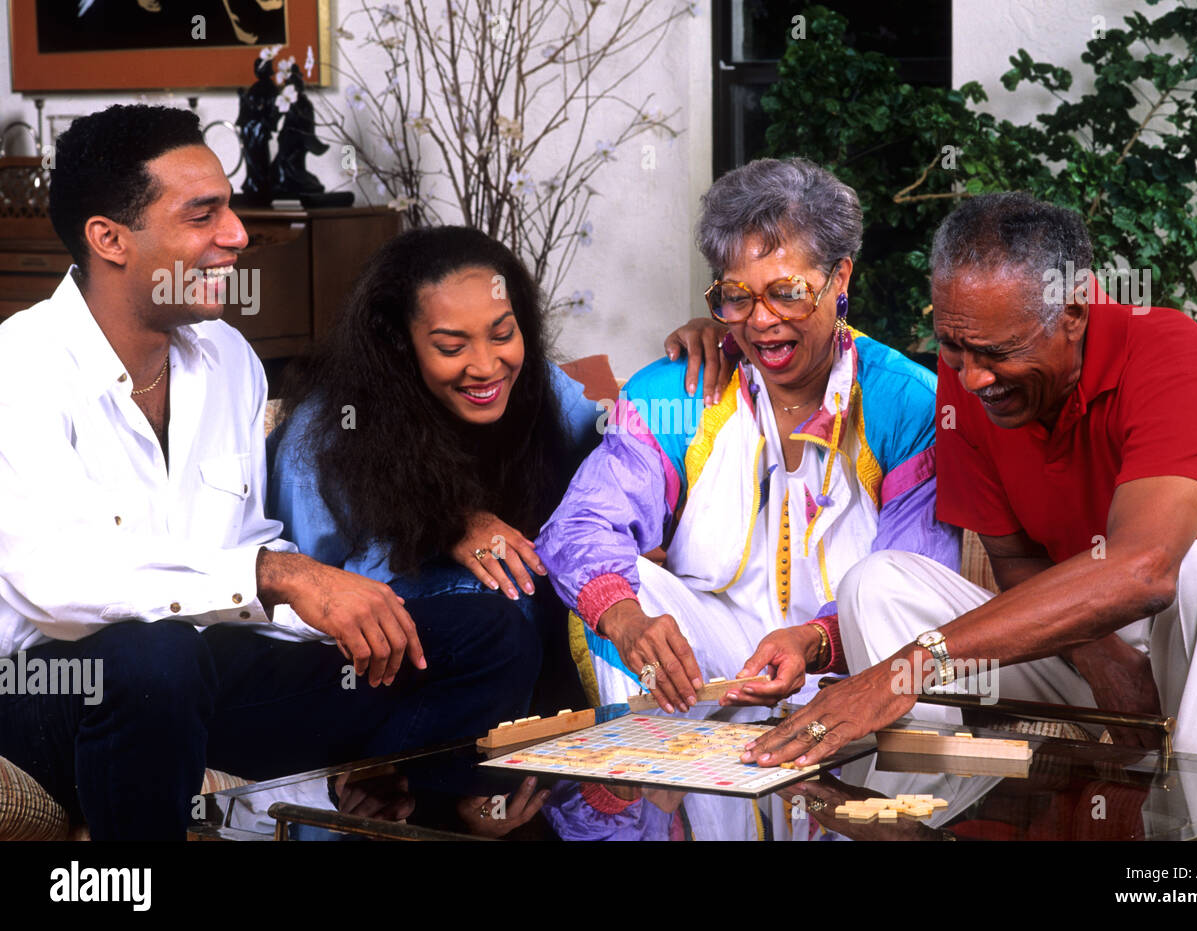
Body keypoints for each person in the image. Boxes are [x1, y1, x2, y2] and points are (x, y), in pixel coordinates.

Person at [0, 105, 535, 840]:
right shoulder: (20, 367)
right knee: (155, 657)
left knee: (483, 631)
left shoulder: (228, 360)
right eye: (203, 215)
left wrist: (347, 614)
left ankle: (384, 787)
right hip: (51, 686)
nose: (237, 235)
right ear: (109, 239)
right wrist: (281, 575)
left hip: (207, 674)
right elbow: (56, 588)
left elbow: (241, 552)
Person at [747, 191, 1197, 767]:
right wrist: (1104, 660)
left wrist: (904, 670)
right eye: (953, 346)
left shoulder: (1169, 351)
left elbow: (1147, 569)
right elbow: (1015, 563)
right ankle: (919, 811)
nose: (975, 377)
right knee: (876, 582)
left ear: (1073, 314)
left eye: (997, 352)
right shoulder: (968, 380)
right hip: (1083, 637)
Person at [536, 157, 960, 715]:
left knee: (887, 587)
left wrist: (815, 641)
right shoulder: (674, 392)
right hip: (712, 669)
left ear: (840, 279)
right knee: (617, 585)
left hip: (858, 669)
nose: (761, 321)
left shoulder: (905, 402)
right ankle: (652, 782)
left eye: (786, 292)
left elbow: (911, 584)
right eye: (737, 296)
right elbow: (581, 524)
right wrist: (625, 616)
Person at [266, 225, 601, 712]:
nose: (486, 366)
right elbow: (305, 609)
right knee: (491, 593)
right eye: (451, 347)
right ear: (398, 345)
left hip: (541, 690)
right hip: (384, 684)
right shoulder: (324, 437)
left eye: (502, 334)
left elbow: (635, 451)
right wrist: (444, 525)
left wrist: (705, 348)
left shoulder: (539, 387)